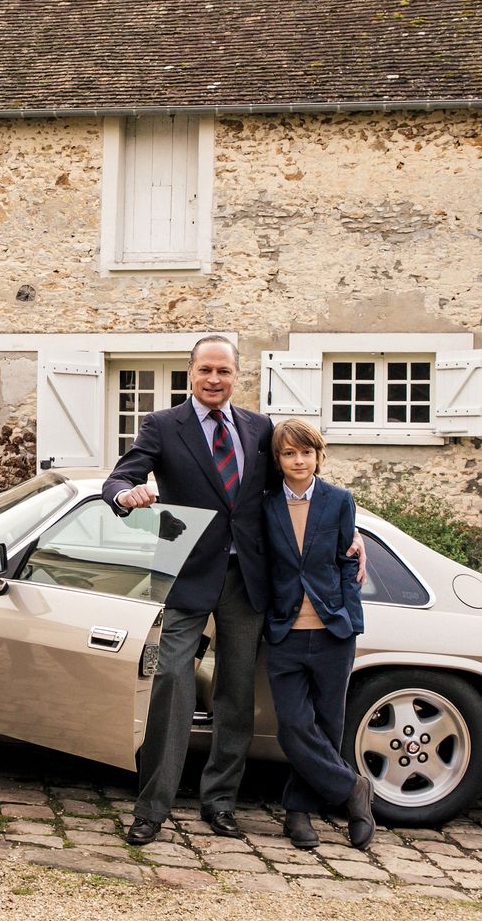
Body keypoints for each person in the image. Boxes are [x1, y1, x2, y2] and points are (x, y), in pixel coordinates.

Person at [102, 336, 364, 846]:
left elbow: (290, 491)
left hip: (249, 580)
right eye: (205, 370)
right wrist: (123, 495)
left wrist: (348, 531)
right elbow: (123, 475)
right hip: (186, 572)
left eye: (223, 370)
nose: (214, 379)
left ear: (235, 374)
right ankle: (151, 808)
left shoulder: (258, 428)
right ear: (190, 373)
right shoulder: (162, 425)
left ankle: (220, 802)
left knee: (235, 696)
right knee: (173, 685)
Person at [263, 419, 374, 851]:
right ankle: (353, 790)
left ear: (318, 456)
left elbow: (348, 559)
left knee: (327, 726)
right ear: (279, 460)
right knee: (293, 725)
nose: (298, 461)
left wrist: (349, 612)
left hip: (332, 631)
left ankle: (298, 813)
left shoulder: (339, 501)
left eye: (305, 453)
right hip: (284, 630)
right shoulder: (266, 503)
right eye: (289, 454)